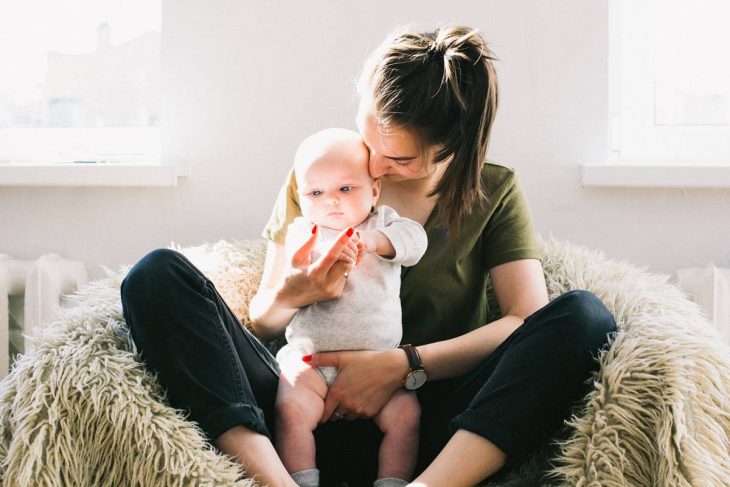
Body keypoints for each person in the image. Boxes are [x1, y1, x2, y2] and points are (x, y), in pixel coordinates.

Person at [120, 25, 617, 487]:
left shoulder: (494, 191)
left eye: (399, 159)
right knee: (155, 276)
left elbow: (523, 319)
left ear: (453, 147)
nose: (375, 166)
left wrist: (402, 366)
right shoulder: (324, 174)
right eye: (369, 138)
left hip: (424, 426)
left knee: (585, 317)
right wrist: (294, 294)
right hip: (297, 409)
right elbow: (264, 324)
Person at [275, 128, 427, 487]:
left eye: (346, 188)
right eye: (316, 192)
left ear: (374, 190)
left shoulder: (383, 224)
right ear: (302, 196)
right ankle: (300, 481)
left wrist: (375, 242)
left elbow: (415, 243)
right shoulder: (305, 230)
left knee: (407, 417)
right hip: (312, 362)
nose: (331, 202)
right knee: (289, 410)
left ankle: (392, 482)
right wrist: (307, 260)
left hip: (380, 366)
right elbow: (294, 265)